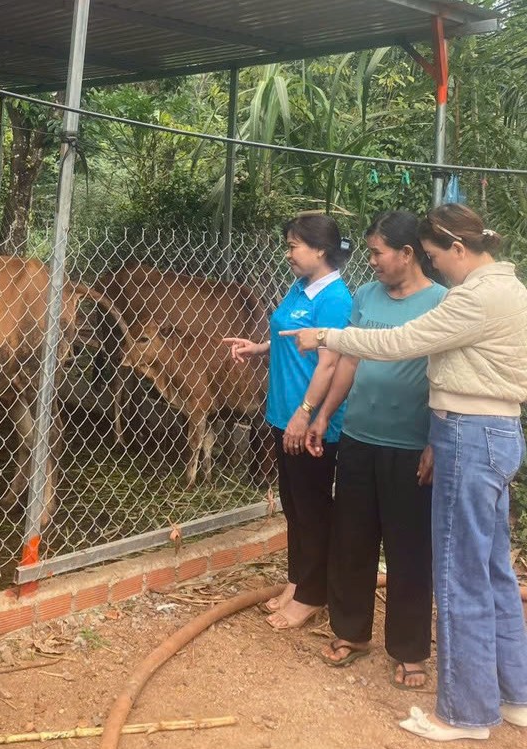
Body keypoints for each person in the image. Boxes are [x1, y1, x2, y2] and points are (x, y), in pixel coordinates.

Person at [283, 203, 527, 741]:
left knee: (460, 578)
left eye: (440, 257)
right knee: (491, 574)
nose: (441, 268)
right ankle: (515, 697)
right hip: (485, 431)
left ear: (456, 250)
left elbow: (401, 344)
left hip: (468, 433)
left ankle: (464, 713)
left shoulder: (473, 296)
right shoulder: (507, 288)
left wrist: (327, 337)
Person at [306, 211, 446, 690]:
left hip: (410, 446)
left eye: (377, 253)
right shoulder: (365, 297)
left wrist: (436, 441)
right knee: (352, 539)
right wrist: (325, 415)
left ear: (407, 254)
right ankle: (351, 632)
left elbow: (448, 379)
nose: (372, 262)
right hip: (361, 438)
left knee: (409, 550)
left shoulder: (442, 304)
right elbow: (348, 358)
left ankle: (409, 650)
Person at [224, 213, 352, 630]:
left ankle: (313, 596)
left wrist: (304, 414)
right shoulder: (301, 288)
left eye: (294, 245)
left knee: (313, 508)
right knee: (294, 507)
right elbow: (290, 337)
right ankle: (298, 582)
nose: (288, 253)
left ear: (320, 250)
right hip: (284, 414)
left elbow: (331, 364)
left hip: (311, 423)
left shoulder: (334, 298)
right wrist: (258, 348)